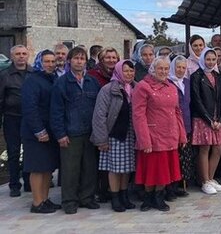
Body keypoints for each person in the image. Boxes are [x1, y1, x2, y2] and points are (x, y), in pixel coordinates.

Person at [50, 47, 102, 214]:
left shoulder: (92, 82)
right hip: (71, 133)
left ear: (86, 61)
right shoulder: (62, 83)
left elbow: (99, 109)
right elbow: (56, 110)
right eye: (76, 58)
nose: (79, 61)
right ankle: (69, 201)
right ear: (69, 61)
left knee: (89, 167)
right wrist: (60, 134)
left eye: (82, 58)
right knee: (70, 170)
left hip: (89, 132)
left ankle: (86, 198)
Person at [133, 56, 187, 212]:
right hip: (152, 135)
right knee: (152, 170)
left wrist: (181, 134)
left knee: (165, 170)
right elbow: (138, 115)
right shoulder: (143, 87)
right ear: (153, 69)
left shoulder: (171, 87)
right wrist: (144, 140)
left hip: (170, 134)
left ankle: (159, 196)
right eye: (160, 68)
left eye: (166, 69)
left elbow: (177, 112)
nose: (163, 71)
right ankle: (148, 198)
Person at [90, 60, 137, 212]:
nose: (129, 74)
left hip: (130, 133)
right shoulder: (108, 89)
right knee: (115, 168)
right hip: (114, 133)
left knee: (127, 167)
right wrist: (101, 139)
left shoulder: (135, 87)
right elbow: (99, 115)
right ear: (118, 71)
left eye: (131, 71)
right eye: (125, 71)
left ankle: (124, 195)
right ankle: (115, 197)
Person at [21, 50, 60, 213]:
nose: (50, 65)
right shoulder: (32, 81)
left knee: (47, 168)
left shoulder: (53, 79)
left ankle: (44, 199)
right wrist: (39, 130)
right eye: (46, 61)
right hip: (36, 133)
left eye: (52, 61)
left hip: (50, 131)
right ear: (39, 62)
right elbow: (30, 108)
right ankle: (37, 203)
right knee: (37, 167)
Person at [190, 48, 221, 194]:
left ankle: (211, 178)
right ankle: (204, 180)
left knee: (219, 147)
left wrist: (220, 119)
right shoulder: (196, 76)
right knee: (205, 148)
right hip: (203, 118)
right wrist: (208, 119)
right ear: (202, 59)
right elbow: (196, 100)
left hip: (217, 118)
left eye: (213, 59)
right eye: (208, 59)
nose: (211, 62)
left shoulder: (217, 75)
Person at [0, 44, 32, 197]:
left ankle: (28, 181)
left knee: (29, 151)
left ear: (28, 55)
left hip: (30, 119)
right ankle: (14, 185)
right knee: (13, 152)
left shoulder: (34, 73)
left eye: (23, 53)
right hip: (12, 119)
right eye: (18, 54)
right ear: (12, 56)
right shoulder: (5, 75)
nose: (21, 56)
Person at [168, 56, 192, 197]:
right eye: (178, 67)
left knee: (184, 157)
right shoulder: (169, 82)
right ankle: (170, 187)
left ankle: (180, 185)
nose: (181, 70)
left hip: (187, 124)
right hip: (173, 126)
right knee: (173, 158)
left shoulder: (187, 83)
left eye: (184, 68)